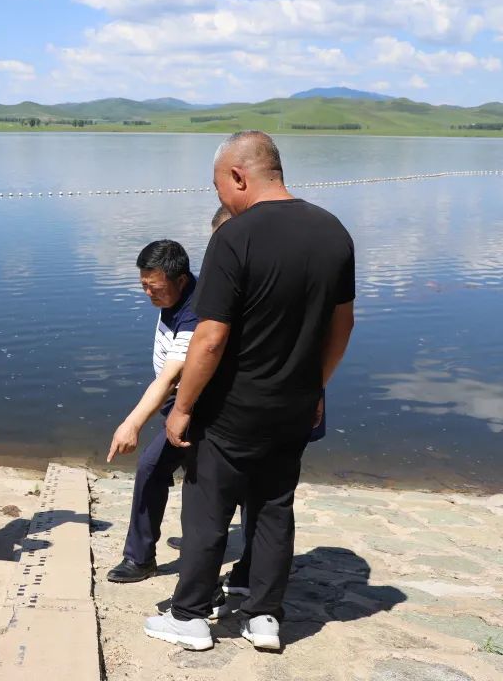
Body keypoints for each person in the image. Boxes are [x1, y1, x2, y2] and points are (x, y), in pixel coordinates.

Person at [144, 131, 355, 652]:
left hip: (231, 408)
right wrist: (316, 385)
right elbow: (343, 325)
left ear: (238, 176)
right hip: (294, 406)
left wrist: (182, 407)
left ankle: (190, 616)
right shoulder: (333, 231)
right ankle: (264, 616)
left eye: (218, 185)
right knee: (274, 508)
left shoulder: (234, 237)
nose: (219, 196)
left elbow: (211, 338)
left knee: (207, 508)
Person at [104, 240, 197, 584]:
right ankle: (196, 540)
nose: (147, 293)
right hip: (177, 403)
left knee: (152, 467)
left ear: (180, 280)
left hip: (192, 408)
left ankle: (140, 559)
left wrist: (132, 424)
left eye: (154, 287)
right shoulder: (175, 296)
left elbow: (171, 377)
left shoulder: (195, 313)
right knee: (194, 476)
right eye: (143, 285)